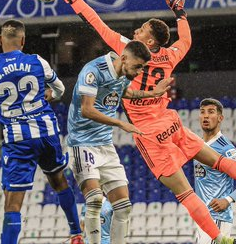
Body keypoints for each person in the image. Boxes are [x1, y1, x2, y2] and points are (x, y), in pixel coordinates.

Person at [59, 0, 236, 244]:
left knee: (184, 193)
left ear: (150, 43)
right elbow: (186, 41)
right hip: (171, 121)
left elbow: (95, 22)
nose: (138, 30)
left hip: (149, 131)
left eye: (144, 29)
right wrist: (180, 12)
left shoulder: (125, 50)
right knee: (219, 161)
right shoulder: (169, 56)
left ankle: (220, 239)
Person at [0, 19, 84, 244]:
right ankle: (76, 233)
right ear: (23, 41)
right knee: (59, 182)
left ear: (0, 40)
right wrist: (47, 95)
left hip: (18, 139)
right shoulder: (37, 61)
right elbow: (60, 89)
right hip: (46, 132)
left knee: (13, 203)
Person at [66, 41, 172, 244]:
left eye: (142, 67)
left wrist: (152, 93)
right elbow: (86, 110)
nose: (140, 72)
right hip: (82, 143)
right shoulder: (93, 70)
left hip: (105, 145)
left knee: (124, 207)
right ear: (123, 58)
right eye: (137, 67)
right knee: (95, 200)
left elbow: (126, 92)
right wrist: (120, 124)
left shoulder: (123, 74)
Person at [194, 98, 236, 244]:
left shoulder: (226, 148)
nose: (205, 116)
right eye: (202, 112)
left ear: (220, 118)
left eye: (211, 112)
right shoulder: (198, 144)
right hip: (202, 218)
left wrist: (228, 200)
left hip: (217, 218)